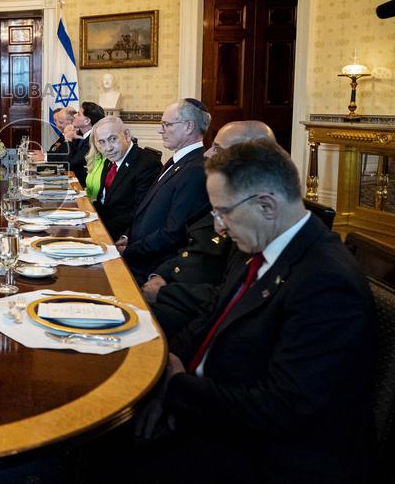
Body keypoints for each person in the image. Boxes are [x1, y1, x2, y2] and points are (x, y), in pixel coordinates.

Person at [135, 140, 375, 483]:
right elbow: (209, 317)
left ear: (266, 205)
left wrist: (177, 388)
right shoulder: (262, 245)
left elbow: (283, 409)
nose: (218, 227)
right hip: (211, 411)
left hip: (265, 455)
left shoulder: (327, 283)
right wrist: (170, 360)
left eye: (223, 212)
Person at [143, 121, 275, 337]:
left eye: (217, 149)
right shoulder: (224, 192)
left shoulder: (250, 213)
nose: (206, 154)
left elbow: (228, 293)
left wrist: (165, 292)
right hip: (175, 286)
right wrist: (161, 274)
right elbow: (190, 244)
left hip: (190, 309)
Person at [116, 98, 210, 282]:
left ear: (189, 127)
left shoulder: (196, 170)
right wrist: (129, 236)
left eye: (167, 124)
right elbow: (149, 210)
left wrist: (131, 249)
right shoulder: (179, 161)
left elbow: (174, 232)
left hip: (150, 267)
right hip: (139, 254)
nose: (160, 130)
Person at [91, 116, 162, 238]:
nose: (108, 148)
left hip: (124, 234)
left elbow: (141, 212)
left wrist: (99, 229)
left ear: (127, 135)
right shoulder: (109, 161)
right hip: (104, 226)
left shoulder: (147, 164)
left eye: (112, 139)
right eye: (101, 142)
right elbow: (105, 203)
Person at [68, 102, 106, 185]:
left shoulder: (93, 140)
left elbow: (71, 164)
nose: (74, 115)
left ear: (87, 121)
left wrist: (68, 140)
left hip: (85, 185)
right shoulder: (79, 134)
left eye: (78, 114)